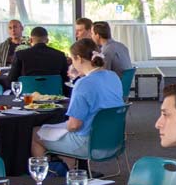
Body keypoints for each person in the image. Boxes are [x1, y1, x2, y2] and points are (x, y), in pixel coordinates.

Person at [31, 39, 124, 169]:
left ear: (79, 58)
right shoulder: (113, 76)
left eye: (72, 60)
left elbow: (74, 125)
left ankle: (41, 175)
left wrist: (61, 128)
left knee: (36, 133)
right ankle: (70, 172)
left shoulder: (83, 84)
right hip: (114, 141)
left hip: (90, 144)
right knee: (64, 133)